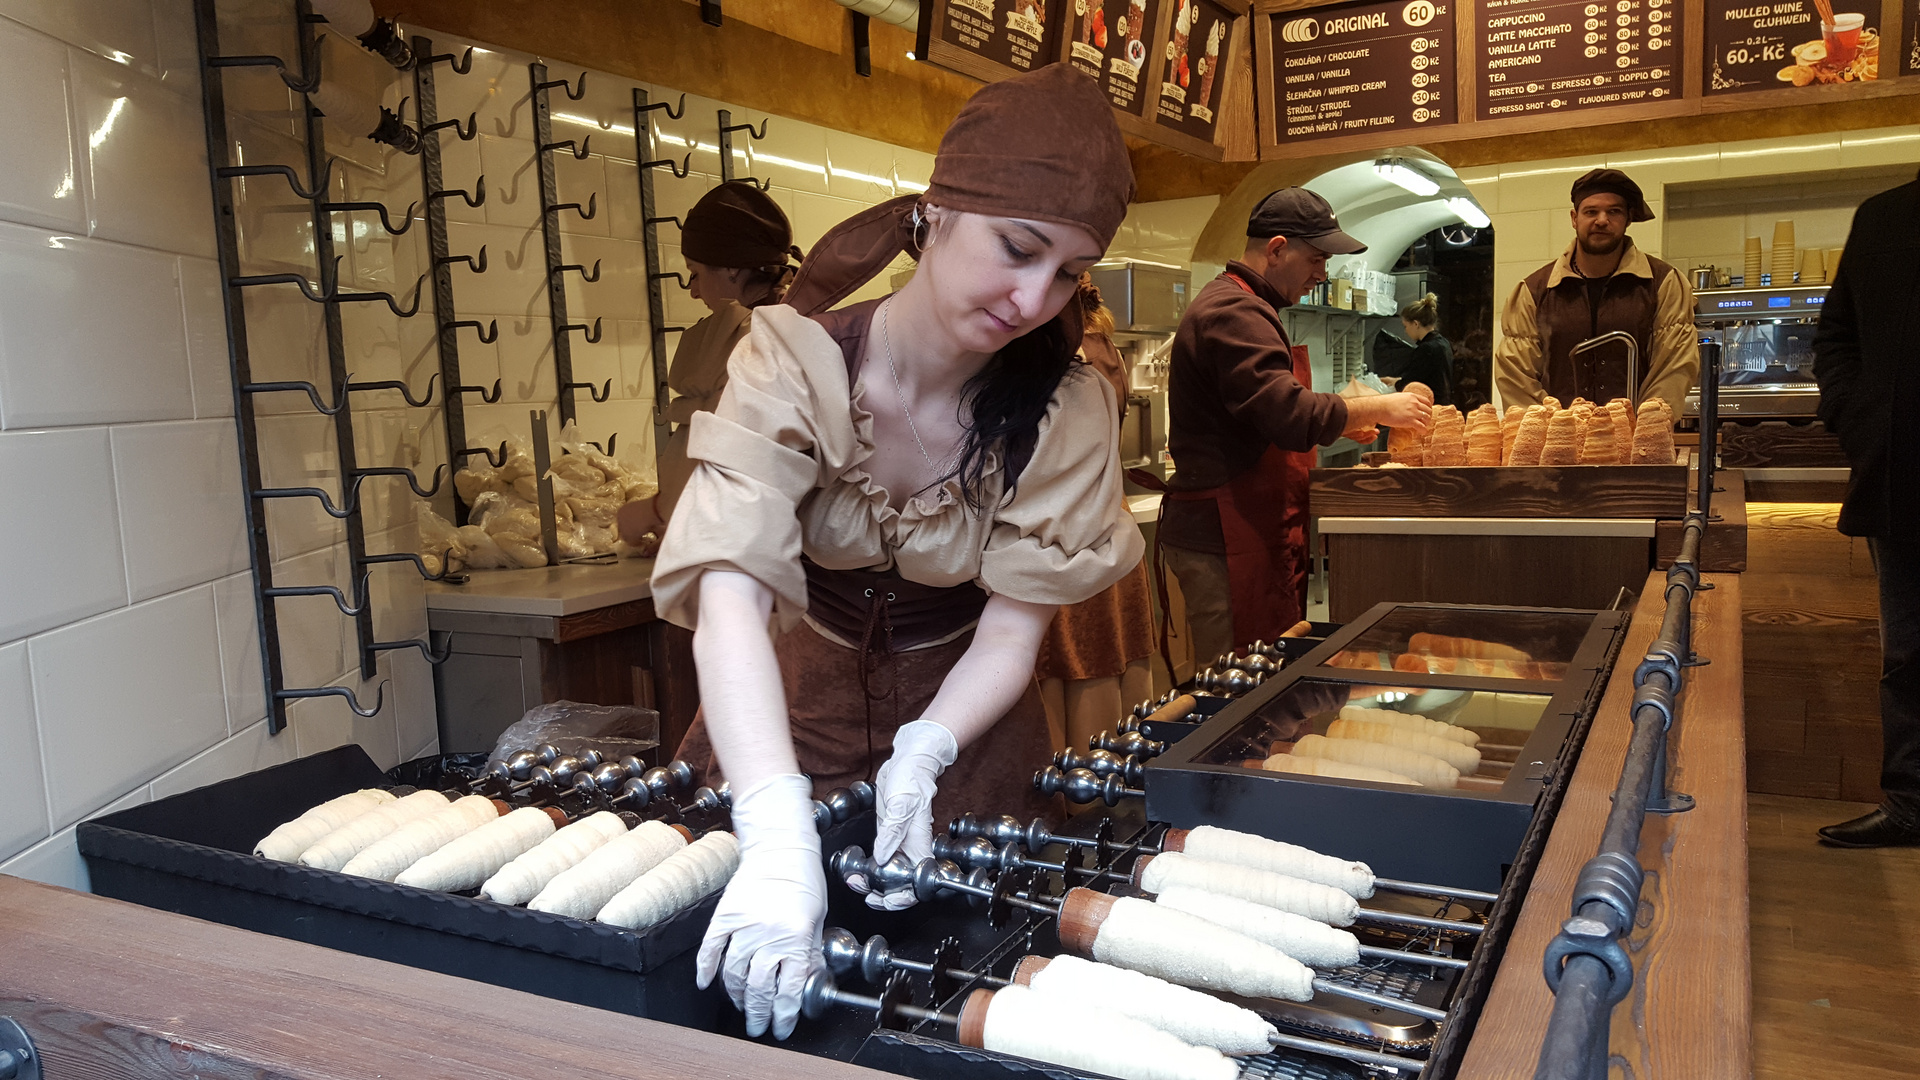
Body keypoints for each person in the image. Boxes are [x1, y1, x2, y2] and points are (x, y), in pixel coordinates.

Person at [648, 64, 1143, 1037]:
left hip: (969, 746)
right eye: (1018, 248)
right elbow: (731, 601)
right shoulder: (791, 360)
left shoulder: (1065, 406)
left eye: (1068, 273)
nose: (1033, 298)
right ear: (936, 215)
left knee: (959, 1012)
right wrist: (776, 827)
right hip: (777, 729)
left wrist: (925, 753)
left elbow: (1010, 637)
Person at [1158, 188, 1430, 667]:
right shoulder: (1234, 312)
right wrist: (1379, 408)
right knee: (1236, 690)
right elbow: (1291, 415)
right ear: (1278, 248)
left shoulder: (1248, 307)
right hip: (1227, 538)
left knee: (1262, 680)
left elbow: (1259, 417)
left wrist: (1344, 422)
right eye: (1317, 259)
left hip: (1248, 531)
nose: (1322, 275)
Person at [1812, 170, 1920, 848]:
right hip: (1903, 471)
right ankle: (1911, 803)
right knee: (1907, 653)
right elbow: (1836, 336)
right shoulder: (1884, 218)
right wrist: (1865, 421)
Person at [615, 182, 801, 543]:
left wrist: (656, 511)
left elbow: (747, 464)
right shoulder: (788, 327)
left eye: (695, 272)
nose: (694, 290)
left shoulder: (757, 341)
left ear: (732, 268)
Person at [1035, 276, 1157, 755]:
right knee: (1110, 658)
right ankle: (1115, 788)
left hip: (1057, 531)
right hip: (1109, 521)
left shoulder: (1049, 351)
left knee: (1073, 662)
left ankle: (1074, 802)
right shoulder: (1102, 344)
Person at [1493, 168, 1696, 415]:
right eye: (1591, 211)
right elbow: (1517, 376)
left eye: (1614, 211)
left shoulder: (1663, 283)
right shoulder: (1534, 291)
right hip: (1557, 444)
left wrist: (1642, 425)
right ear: (1574, 218)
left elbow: (1672, 368)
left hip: (1635, 442)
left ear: (1628, 219)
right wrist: (1554, 431)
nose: (1602, 220)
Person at [1374, 293, 1453, 406]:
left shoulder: (1426, 349)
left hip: (1431, 407)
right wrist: (1396, 381)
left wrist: (1396, 383)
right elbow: (1425, 377)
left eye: (1406, 326)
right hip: (1444, 404)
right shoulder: (1443, 342)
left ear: (1416, 324)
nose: (1405, 331)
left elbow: (1412, 385)